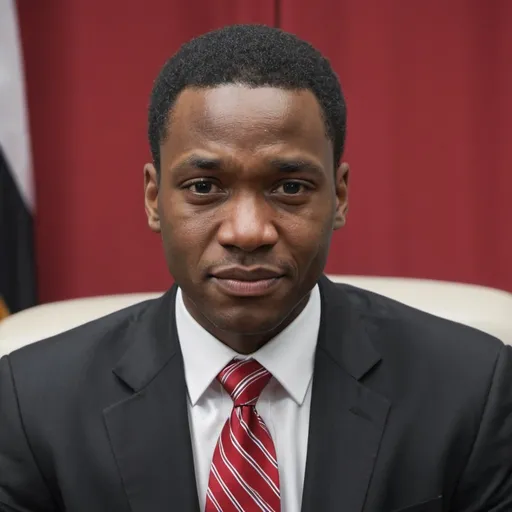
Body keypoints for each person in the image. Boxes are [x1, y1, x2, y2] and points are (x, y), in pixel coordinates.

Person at [0, 24, 511, 512]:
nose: (247, 232)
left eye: (289, 188)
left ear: (340, 196)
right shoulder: (31, 405)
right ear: (154, 199)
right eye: (204, 187)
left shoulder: (471, 391)